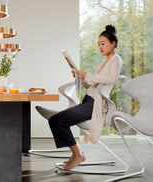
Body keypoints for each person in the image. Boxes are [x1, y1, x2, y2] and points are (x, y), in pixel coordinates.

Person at [48, 25, 122, 170]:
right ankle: (76, 154)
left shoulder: (116, 60)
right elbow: (93, 87)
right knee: (56, 120)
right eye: (99, 44)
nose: (100, 47)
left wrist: (87, 75)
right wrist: (81, 79)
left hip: (96, 105)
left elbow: (112, 79)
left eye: (103, 43)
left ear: (113, 43)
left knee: (56, 120)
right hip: (89, 101)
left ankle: (78, 155)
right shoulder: (103, 63)